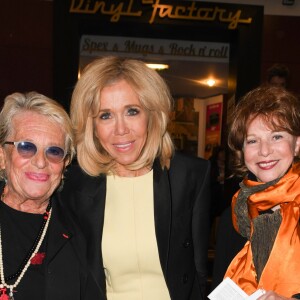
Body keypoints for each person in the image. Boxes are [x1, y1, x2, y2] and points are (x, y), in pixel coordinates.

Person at [61, 56, 211, 300]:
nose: (121, 130)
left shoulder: (190, 175)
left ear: (152, 115)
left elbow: (198, 272)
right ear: (92, 127)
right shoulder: (73, 186)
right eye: (105, 115)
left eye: (132, 111)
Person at [0, 92, 104, 299]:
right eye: (26, 147)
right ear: (2, 157)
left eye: (54, 151)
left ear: (65, 164)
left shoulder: (82, 235)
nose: (40, 162)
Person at [223, 86, 300, 299]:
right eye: (253, 140)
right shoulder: (233, 216)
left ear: (297, 144)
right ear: (242, 151)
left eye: (276, 137)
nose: (264, 151)